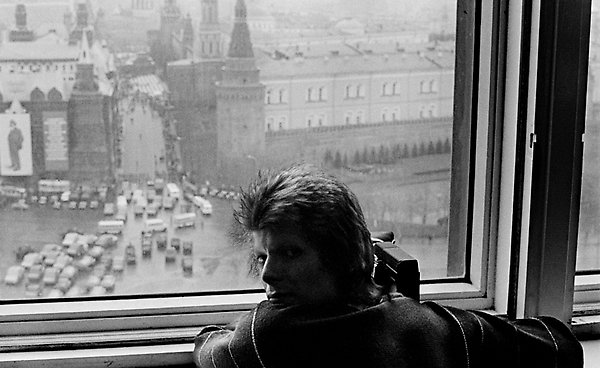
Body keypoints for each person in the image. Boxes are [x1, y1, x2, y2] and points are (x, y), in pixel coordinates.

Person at [193, 164, 582, 368]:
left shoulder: (266, 336)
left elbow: (208, 346)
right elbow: (558, 346)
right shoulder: (428, 327)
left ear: (341, 254)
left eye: (290, 253)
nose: (267, 274)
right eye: (263, 256)